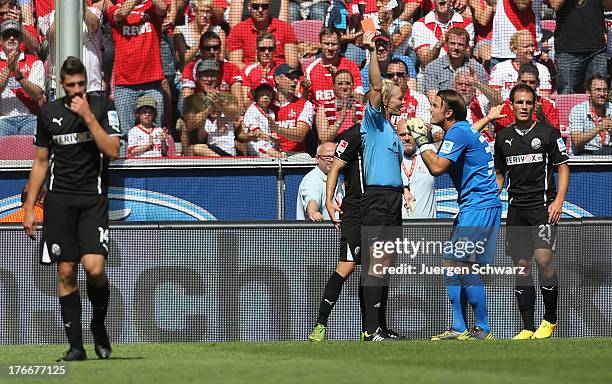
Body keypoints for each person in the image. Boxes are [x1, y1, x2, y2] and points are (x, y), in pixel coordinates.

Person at [22, 57, 121, 361]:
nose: (77, 91)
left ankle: (99, 325)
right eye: (70, 86)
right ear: (61, 85)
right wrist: (29, 207)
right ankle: (76, 346)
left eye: (81, 84)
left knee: (94, 267)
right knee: (66, 272)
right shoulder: (48, 113)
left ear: (87, 82)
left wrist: (89, 118)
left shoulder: (104, 107)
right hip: (59, 202)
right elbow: (40, 162)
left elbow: (114, 151)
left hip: (93, 198)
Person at [408, 89, 501, 340]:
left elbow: (437, 167)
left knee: (462, 264)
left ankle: (483, 328)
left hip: (479, 206)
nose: (431, 109)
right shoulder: (463, 129)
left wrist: (421, 140)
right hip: (474, 205)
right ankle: (459, 327)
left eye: (435, 105)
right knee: (451, 263)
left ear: (448, 112)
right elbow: (469, 133)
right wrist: (489, 119)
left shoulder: (457, 132)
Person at [494, 83, 570, 339]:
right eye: (519, 102)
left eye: (528, 102)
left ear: (535, 104)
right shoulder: (503, 138)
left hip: (541, 208)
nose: (524, 107)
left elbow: (563, 168)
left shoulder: (549, 134)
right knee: (522, 266)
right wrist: (494, 195)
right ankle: (527, 327)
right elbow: (500, 173)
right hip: (517, 209)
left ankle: (550, 319)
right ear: (511, 105)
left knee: (544, 261)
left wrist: (558, 200)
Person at [359, 31, 405, 342]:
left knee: (387, 262)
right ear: (386, 100)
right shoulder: (373, 121)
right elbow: (375, 84)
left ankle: (380, 327)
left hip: (393, 199)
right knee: (376, 262)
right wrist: (373, 51)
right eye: (399, 96)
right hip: (375, 198)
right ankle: (370, 329)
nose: (404, 100)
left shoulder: (391, 129)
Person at [308, 123, 365, 342]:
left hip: (375, 212)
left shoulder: (383, 136)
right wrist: (328, 203)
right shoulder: (354, 136)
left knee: (372, 271)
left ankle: (369, 329)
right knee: (346, 267)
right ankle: (320, 324)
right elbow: (333, 173)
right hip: (355, 214)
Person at [0, 19, 45, 136]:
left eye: (15, 35)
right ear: (1, 40)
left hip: (30, 118)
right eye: (6, 35)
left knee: (30, 154)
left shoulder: (34, 61)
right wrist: (9, 69)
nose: (11, 38)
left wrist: (18, 75)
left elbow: (38, 95)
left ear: (21, 40)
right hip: (3, 120)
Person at [489, 30, 552, 100]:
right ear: (515, 49)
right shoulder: (501, 68)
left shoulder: (542, 70)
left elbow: (544, 99)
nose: (531, 49)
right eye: (526, 46)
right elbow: (493, 97)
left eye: (532, 45)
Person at [397, 120, 436, 219]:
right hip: (399, 229)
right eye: (402, 134)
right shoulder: (392, 158)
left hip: (427, 229)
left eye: (410, 134)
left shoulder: (428, 153)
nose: (407, 138)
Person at [296, 142, 343, 221]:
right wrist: (313, 212)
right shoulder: (312, 180)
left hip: (335, 231)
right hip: (317, 232)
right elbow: (311, 199)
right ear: (317, 159)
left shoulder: (334, 177)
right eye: (327, 157)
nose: (331, 160)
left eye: (335, 157)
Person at [569, 74, 612, 156]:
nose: (602, 94)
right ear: (588, 92)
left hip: (608, 152)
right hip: (584, 154)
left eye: (605, 90)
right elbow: (577, 141)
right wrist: (600, 127)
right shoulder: (578, 110)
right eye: (598, 90)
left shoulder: (611, 108)